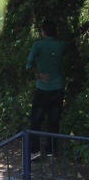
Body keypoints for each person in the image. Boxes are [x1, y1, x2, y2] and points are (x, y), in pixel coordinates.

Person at [27, 18, 66, 158]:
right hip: (57, 88)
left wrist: (38, 73)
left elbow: (29, 63)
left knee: (36, 119)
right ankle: (51, 150)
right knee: (54, 119)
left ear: (43, 32)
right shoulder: (61, 45)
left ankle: (35, 150)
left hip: (43, 88)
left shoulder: (38, 45)